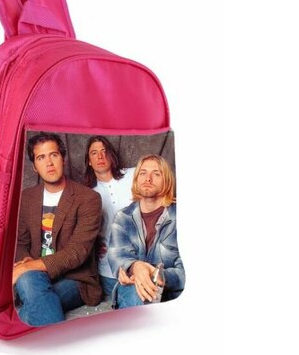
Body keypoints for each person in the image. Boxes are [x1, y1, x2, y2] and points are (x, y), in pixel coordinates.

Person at [13, 132, 103, 326]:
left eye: (53, 155)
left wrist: (27, 267)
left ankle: (34, 327)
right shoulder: (27, 198)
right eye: (41, 158)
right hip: (36, 275)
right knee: (32, 285)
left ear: (63, 158)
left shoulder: (88, 198)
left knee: (29, 288)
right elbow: (20, 243)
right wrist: (26, 262)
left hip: (75, 279)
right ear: (34, 166)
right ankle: (58, 338)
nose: (49, 163)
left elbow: (77, 252)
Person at [107, 154, 185, 308]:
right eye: (143, 173)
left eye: (156, 174)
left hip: (171, 295)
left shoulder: (181, 217)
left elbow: (187, 271)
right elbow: (117, 256)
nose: (148, 179)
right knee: (137, 291)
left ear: (167, 180)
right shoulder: (123, 217)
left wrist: (158, 275)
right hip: (131, 289)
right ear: (136, 179)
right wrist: (135, 267)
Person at [84, 136, 135, 299]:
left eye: (104, 151)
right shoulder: (86, 194)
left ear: (111, 155)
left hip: (143, 258)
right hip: (109, 270)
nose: (100, 156)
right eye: (94, 153)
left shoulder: (134, 175)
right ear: (89, 161)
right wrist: (94, 244)